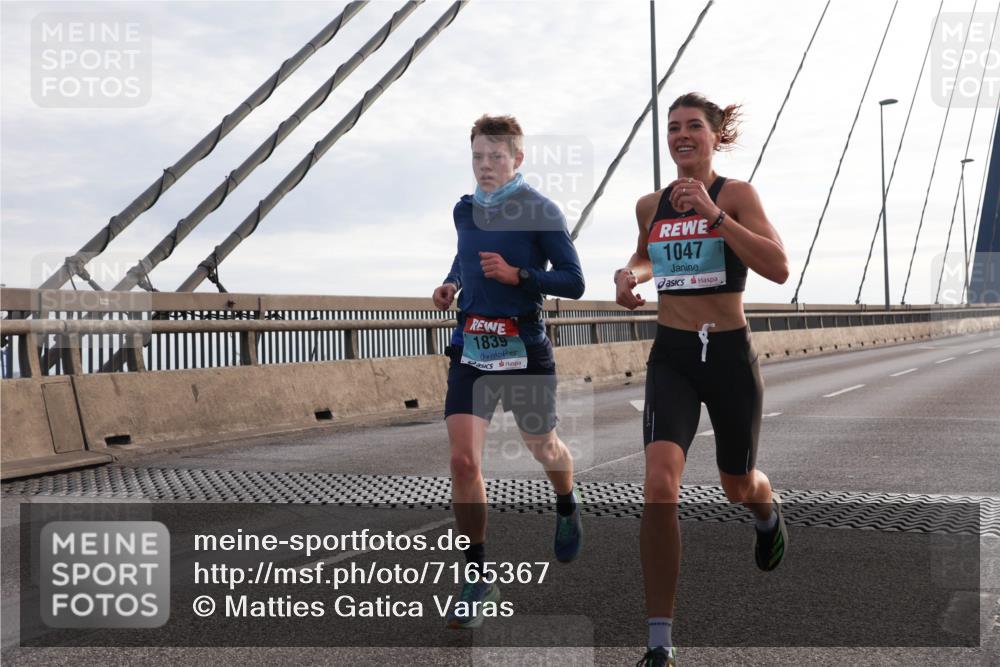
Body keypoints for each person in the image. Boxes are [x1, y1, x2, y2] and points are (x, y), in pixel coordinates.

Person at [615, 93, 790, 667]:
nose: (682, 135)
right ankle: (659, 644)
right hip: (673, 356)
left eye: (693, 127)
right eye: (673, 128)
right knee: (660, 483)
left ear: (715, 137)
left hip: (730, 356)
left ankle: (767, 514)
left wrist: (716, 219)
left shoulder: (735, 195)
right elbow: (648, 258)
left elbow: (778, 267)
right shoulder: (651, 204)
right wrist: (628, 274)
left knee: (736, 485)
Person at [431, 114, 586, 629]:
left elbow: (573, 281)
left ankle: (566, 502)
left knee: (543, 445)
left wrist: (519, 274)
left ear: (517, 159)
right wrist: (451, 283)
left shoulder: (541, 211)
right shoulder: (465, 210)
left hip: (523, 345)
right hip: (472, 345)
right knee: (463, 463)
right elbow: (464, 259)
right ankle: (476, 575)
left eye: (496, 156)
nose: (485, 166)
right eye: (477, 156)